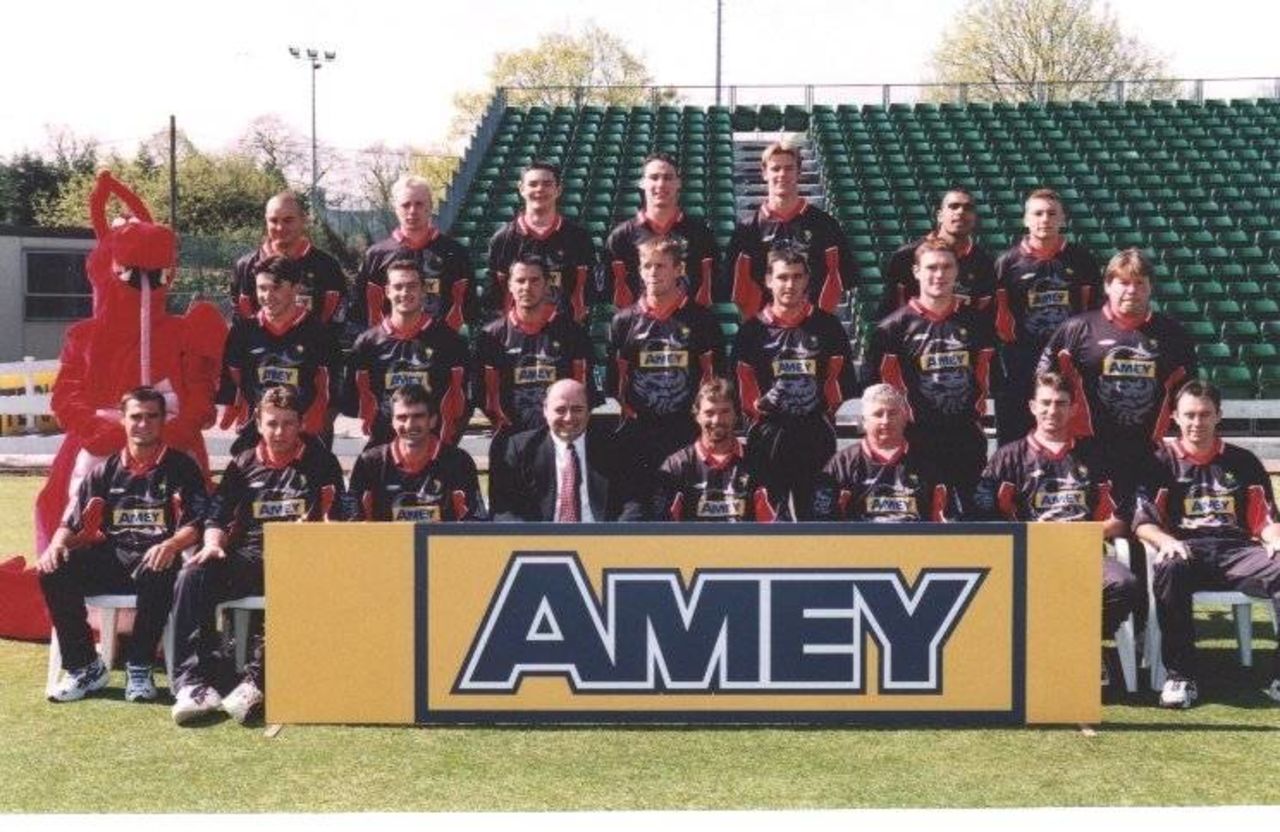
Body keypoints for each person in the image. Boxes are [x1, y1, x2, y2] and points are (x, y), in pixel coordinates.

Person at [170, 386, 346, 726]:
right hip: (249, 557)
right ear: (258, 423)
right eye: (272, 423)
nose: (279, 432)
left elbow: (333, 515)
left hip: (300, 560)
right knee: (192, 576)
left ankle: (255, 682)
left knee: (304, 580)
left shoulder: (322, 462)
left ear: (301, 424)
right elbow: (217, 515)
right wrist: (211, 543)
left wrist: (315, 539)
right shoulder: (243, 463)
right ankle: (193, 684)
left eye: (288, 424)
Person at [38, 387, 207, 703]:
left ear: (162, 420)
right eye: (136, 417)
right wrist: (56, 545)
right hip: (113, 558)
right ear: (123, 421)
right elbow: (70, 522)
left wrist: (171, 545)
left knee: (160, 565)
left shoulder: (181, 467)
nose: (143, 424)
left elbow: (197, 523)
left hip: (158, 558)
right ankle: (86, 667)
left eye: (151, 416)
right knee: (53, 570)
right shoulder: (104, 471)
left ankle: (139, 666)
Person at [1133, 380, 1280, 709]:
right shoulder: (1159, 463)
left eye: (1204, 415)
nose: (1197, 423)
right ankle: (1181, 676)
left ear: (1218, 417)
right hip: (1187, 551)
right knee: (1169, 568)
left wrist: (1275, 538)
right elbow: (1143, 522)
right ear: (1175, 417)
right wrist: (1165, 540)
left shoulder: (1243, 462)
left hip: (1238, 553)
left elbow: (1265, 520)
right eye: (1189, 415)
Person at [972, 371, 1141, 643]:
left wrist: (1081, 535)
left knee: (1124, 584)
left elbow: (1122, 519)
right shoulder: (1008, 457)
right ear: (1032, 407)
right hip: (1026, 556)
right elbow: (984, 515)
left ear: (1073, 408)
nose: (1053, 410)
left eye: (1061, 403)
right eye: (1046, 402)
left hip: (1084, 552)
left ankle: (1083, 648)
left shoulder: (1096, 456)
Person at [1038, 248, 1197, 485]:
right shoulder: (1077, 329)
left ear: (1150, 287)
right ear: (1107, 286)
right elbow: (1044, 381)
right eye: (1123, 282)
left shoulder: (1173, 335)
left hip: (1148, 452)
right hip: (1085, 451)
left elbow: (1189, 396)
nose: (1132, 290)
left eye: (1139, 283)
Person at [863, 241, 994, 504]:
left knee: (972, 522)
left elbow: (986, 376)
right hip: (916, 441)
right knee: (922, 523)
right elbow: (877, 390)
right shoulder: (892, 329)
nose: (939, 274)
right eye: (931, 267)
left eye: (947, 267)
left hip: (966, 436)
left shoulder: (977, 322)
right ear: (916, 272)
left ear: (957, 272)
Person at [733, 246, 854, 517]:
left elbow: (841, 382)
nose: (790, 284)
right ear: (768, 280)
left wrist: (820, 408)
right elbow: (742, 385)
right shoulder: (751, 331)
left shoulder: (828, 326)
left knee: (820, 519)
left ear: (807, 280)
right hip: (768, 436)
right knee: (769, 518)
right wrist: (760, 404)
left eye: (797, 277)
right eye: (783, 277)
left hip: (815, 435)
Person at [606, 237, 725, 493]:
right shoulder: (623, 321)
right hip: (639, 433)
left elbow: (714, 381)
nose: (653, 272)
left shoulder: (702, 320)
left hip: (686, 432)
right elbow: (617, 380)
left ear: (679, 269)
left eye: (661, 265)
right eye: (647, 265)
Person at [474, 254, 596, 501]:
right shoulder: (491, 337)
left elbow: (584, 391)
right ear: (509, 285)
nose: (526, 287)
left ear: (548, 283)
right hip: (511, 443)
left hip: (561, 441)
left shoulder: (572, 333)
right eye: (519, 281)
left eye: (534, 280)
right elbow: (486, 397)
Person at [992, 188, 1102, 444]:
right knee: (1015, 433)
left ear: (1063, 219)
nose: (1045, 219)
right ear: (1026, 220)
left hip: (1068, 358)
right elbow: (998, 317)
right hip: (1021, 359)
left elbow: (1092, 313)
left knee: (1068, 430)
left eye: (1052, 213)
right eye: (1038, 213)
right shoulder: (1007, 263)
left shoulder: (1081, 259)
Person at [343, 257, 472, 448]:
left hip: (435, 450)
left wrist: (448, 443)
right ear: (387, 291)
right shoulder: (367, 344)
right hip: (382, 449)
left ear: (423, 291)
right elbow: (353, 403)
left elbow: (463, 405)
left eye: (412, 286)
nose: (404, 292)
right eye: (398, 286)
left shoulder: (450, 342)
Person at [218, 255, 341, 454]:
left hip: (304, 434)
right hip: (258, 431)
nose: (267, 295)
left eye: (276, 288)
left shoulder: (319, 333)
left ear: (295, 288)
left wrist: (312, 426)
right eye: (262, 288)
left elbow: (330, 390)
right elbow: (234, 379)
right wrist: (241, 415)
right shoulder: (243, 332)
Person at [720, 139, 855, 318]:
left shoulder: (824, 224)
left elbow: (840, 280)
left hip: (813, 328)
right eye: (775, 168)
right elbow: (737, 287)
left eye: (789, 168)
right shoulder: (747, 230)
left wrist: (820, 318)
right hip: (764, 332)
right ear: (764, 173)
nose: (782, 174)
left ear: (799, 172)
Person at [489, 379, 645, 522]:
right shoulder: (518, 449)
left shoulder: (616, 448)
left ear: (588, 411)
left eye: (577, 409)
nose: (569, 418)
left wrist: (615, 540)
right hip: (541, 544)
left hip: (600, 541)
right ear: (545, 410)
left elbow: (633, 504)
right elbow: (503, 510)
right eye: (560, 410)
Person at [808, 384, 956, 522]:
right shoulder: (842, 463)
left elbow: (946, 521)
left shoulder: (928, 461)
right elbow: (823, 522)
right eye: (878, 414)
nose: (885, 421)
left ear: (905, 418)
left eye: (892, 414)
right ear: (864, 421)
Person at [349, 174, 475, 333]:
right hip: (390, 351)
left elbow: (467, 308)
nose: (413, 211)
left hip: (440, 349)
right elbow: (363, 310)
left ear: (430, 206)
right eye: (405, 205)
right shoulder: (376, 256)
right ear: (395, 209)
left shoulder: (455, 253)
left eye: (419, 204)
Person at [347, 384, 487, 522]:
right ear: (392, 422)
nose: (409, 425)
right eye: (402, 417)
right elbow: (351, 525)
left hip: (442, 544)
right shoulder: (369, 462)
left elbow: (475, 523)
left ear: (432, 421)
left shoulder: (459, 462)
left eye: (418, 416)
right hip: (384, 544)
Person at [487, 161, 599, 323]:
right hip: (517, 334)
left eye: (547, 184)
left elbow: (587, 290)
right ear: (521, 189)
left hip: (564, 333)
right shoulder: (503, 239)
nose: (540, 189)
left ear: (558, 190)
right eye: (533, 184)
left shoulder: (578, 237)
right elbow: (495, 296)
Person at [652, 378, 777, 522]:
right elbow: (661, 528)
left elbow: (773, 524)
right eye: (709, 413)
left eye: (724, 411)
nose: (717, 420)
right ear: (697, 416)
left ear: (736, 415)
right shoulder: (676, 465)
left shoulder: (758, 462)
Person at [604, 152, 718, 308]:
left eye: (668, 177)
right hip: (638, 328)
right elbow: (611, 293)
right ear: (642, 183)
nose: (661, 184)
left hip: (689, 327)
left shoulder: (700, 234)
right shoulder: (621, 237)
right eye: (654, 177)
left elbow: (713, 289)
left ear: (679, 183)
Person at [878, 188, 996, 323]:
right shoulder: (906, 256)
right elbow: (889, 312)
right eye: (953, 206)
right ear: (939, 215)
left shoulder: (984, 262)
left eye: (968, 208)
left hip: (961, 339)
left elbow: (984, 315)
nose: (960, 212)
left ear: (974, 218)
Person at [230, 191, 348, 326]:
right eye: (273, 220)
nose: (280, 227)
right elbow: (240, 320)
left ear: (303, 220)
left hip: (312, 346)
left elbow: (336, 320)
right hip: (258, 347)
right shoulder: (245, 267)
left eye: (288, 220)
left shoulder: (327, 266)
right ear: (266, 221)